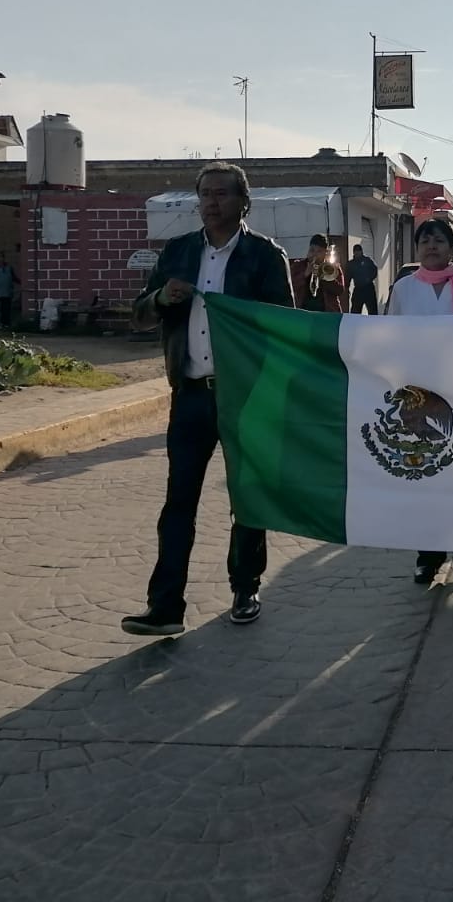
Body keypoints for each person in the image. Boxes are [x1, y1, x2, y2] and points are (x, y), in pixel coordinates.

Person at [122, 161, 295, 638]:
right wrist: (160, 299)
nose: (212, 202)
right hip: (191, 396)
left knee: (247, 498)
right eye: (205, 194)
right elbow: (137, 313)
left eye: (222, 193)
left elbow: (284, 324)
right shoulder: (177, 253)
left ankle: (245, 588)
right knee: (179, 501)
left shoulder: (264, 256)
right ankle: (165, 606)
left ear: (244, 201)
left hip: (246, 396)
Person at [388, 217, 453, 584]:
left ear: (451, 248)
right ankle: (427, 555)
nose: (432, 246)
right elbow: (390, 336)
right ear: (417, 249)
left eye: (439, 241)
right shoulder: (403, 289)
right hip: (419, 395)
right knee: (425, 473)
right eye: (425, 241)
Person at [292, 234, 347, 314]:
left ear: (325, 253)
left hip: (327, 314)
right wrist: (305, 274)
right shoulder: (299, 265)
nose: (315, 254)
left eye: (319, 251)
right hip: (303, 313)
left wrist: (325, 276)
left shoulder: (333, 268)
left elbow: (340, 290)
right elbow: (290, 286)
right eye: (312, 250)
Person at [347, 243, 380, 314]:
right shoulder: (351, 264)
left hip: (368, 288)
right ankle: (355, 324)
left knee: (373, 311)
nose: (357, 253)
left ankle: (373, 324)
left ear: (361, 252)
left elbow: (374, 270)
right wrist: (347, 288)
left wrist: (369, 278)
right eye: (355, 251)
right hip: (358, 288)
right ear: (353, 252)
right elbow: (348, 277)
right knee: (355, 312)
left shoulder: (367, 260)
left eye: (358, 251)